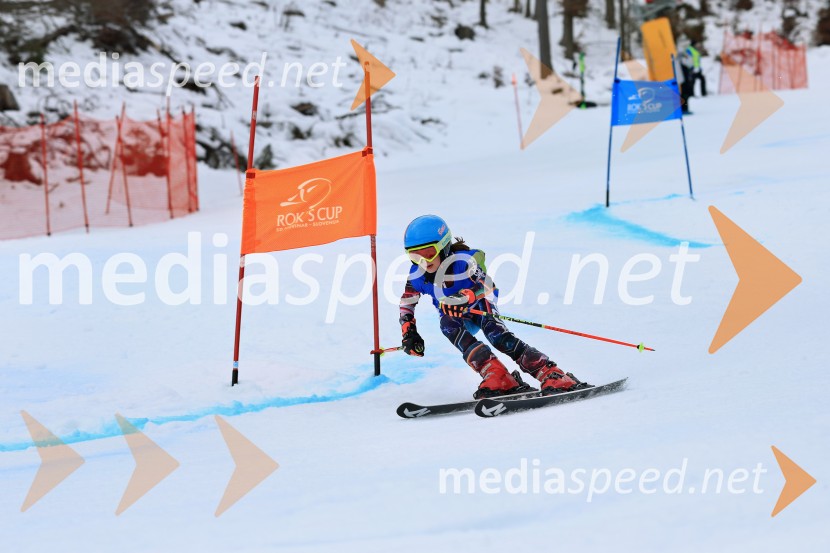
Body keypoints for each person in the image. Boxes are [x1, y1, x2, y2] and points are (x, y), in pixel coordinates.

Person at [398, 214, 590, 399]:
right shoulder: (417, 275)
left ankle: (551, 373)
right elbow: (407, 302)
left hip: (480, 304)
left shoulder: (464, 262)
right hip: (455, 315)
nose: (424, 262)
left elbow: (487, 285)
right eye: (415, 257)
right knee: (447, 325)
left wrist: (467, 296)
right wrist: (409, 331)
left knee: (496, 334)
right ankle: (497, 375)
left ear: (444, 247)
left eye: (430, 254)